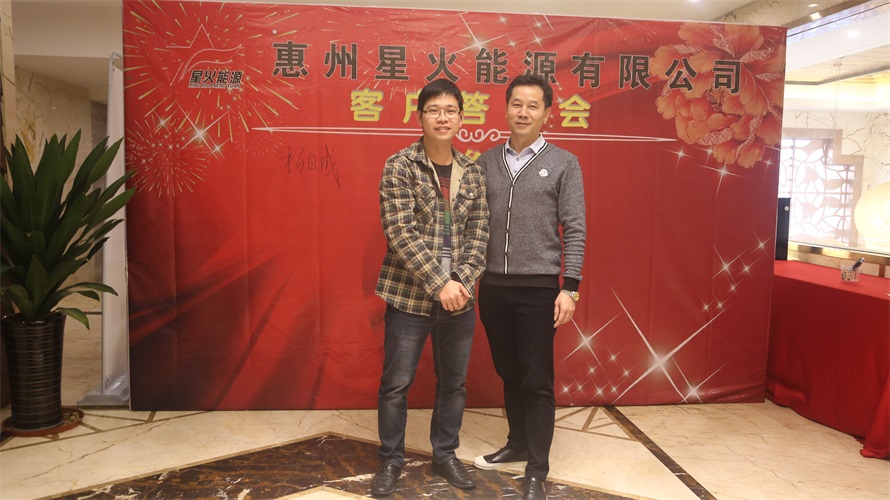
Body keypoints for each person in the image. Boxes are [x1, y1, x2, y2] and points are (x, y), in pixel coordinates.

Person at [371, 78, 489, 497]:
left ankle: (445, 455)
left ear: (461, 117)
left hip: (459, 300)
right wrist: (440, 283)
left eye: (450, 110)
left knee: (453, 384)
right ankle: (391, 461)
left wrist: (461, 282)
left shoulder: (473, 172)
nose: (442, 117)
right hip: (408, 296)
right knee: (396, 385)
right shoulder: (400, 165)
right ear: (419, 116)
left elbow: (480, 235)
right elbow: (399, 231)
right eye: (433, 110)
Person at [473, 74, 587, 500]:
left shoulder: (564, 163)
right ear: (506, 109)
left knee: (536, 378)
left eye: (533, 106)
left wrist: (569, 287)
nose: (523, 112)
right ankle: (517, 443)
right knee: (509, 372)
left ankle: (537, 468)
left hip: (539, 289)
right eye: (516, 104)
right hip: (492, 286)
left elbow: (575, 228)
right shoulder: (485, 162)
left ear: (546, 114)